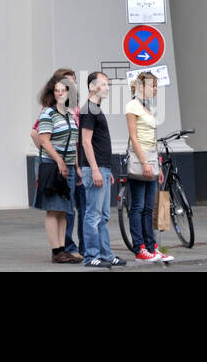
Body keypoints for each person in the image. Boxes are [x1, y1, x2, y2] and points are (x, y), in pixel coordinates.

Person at [32, 67, 84, 255]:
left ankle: (64, 250)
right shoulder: (49, 113)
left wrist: (76, 166)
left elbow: (73, 143)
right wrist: (60, 162)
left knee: (64, 210)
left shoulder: (69, 114)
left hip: (69, 166)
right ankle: (57, 251)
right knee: (53, 209)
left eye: (64, 89)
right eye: (57, 90)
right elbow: (44, 140)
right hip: (54, 166)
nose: (61, 93)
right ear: (52, 93)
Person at [79, 71, 126, 268]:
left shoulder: (96, 109)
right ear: (92, 87)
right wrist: (96, 170)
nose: (107, 88)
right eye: (104, 84)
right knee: (93, 214)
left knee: (103, 215)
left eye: (108, 85)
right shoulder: (89, 109)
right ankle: (91, 256)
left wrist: (105, 170)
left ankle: (106, 254)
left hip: (103, 169)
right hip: (95, 169)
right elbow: (86, 142)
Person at [125, 72, 171, 262]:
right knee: (137, 206)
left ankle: (151, 247)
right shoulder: (132, 106)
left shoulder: (147, 107)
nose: (155, 89)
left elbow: (152, 139)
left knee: (149, 208)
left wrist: (157, 165)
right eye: (153, 86)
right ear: (142, 86)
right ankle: (140, 248)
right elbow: (134, 137)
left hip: (151, 158)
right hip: (140, 159)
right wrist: (144, 161)